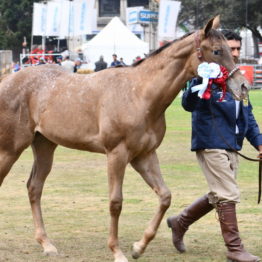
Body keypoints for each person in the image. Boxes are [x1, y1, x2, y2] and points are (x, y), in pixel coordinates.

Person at [167, 30, 262, 262]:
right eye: (232, 49)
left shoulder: (238, 79)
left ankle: (180, 222)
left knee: (218, 194)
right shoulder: (203, 72)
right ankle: (234, 249)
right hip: (210, 142)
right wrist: (201, 80)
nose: (236, 53)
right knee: (227, 194)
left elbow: (246, 115)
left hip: (232, 145)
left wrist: (259, 143)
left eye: (238, 48)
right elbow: (188, 104)